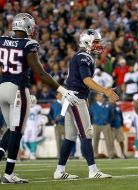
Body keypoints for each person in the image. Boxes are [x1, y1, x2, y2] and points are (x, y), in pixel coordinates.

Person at [0, 13, 79, 184]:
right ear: (27, 27)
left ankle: (8, 172)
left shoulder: (3, 40)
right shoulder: (29, 44)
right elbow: (40, 73)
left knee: (10, 130)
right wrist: (62, 90)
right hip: (18, 90)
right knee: (15, 132)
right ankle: (8, 174)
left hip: (2, 88)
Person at [53, 29, 119, 180]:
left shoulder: (81, 56)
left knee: (70, 136)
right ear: (87, 42)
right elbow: (86, 80)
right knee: (86, 133)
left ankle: (59, 171)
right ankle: (93, 170)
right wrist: (105, 91)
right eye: (95, 42)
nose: (98, 45)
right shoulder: (84, 56)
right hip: (74, 97)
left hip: (71, 96)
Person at [89, 93, 113, 159]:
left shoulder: (108, 105)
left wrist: (109, 122)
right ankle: (94, 154)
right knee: (95, 140)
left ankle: (110, 155)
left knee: (109, 140)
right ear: (96, 98)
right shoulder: (92, 106)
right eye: (99, 96)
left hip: (106, 125)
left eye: (102, 96)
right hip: (96, 125)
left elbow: (111, 114)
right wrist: (92, 123)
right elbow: (89, 115)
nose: (101, 97)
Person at [23, 95, 46, 160]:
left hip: (34, 126)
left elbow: (41, 116)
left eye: (34, 100)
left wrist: (40, 123)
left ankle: (32, 153)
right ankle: (29, 152)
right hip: (27, 126)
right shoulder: (26, 107)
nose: (33, 101)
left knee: (33, 140)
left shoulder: (38, 107)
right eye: (32, 100)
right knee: (25, 140)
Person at [48, 92, 65, 158]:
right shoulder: (53, 104)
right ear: (56, 96)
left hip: (66, 124)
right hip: (57, 125)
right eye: (59, 94)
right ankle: (59, 154)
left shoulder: (65, 103)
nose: (61, 96)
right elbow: (50, 114)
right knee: (58, 140)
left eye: (62, 94)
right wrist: (51, 120)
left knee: (67, 141)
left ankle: (67, 154)